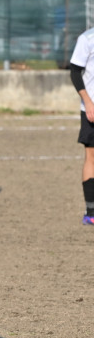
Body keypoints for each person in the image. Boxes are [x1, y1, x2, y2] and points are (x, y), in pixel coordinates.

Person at [69, 29, 94, 225]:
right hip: (92, 108)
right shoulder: (87, 39)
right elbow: (75, 71)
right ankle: (91, 211)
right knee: (91, 156)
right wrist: (88, 102)